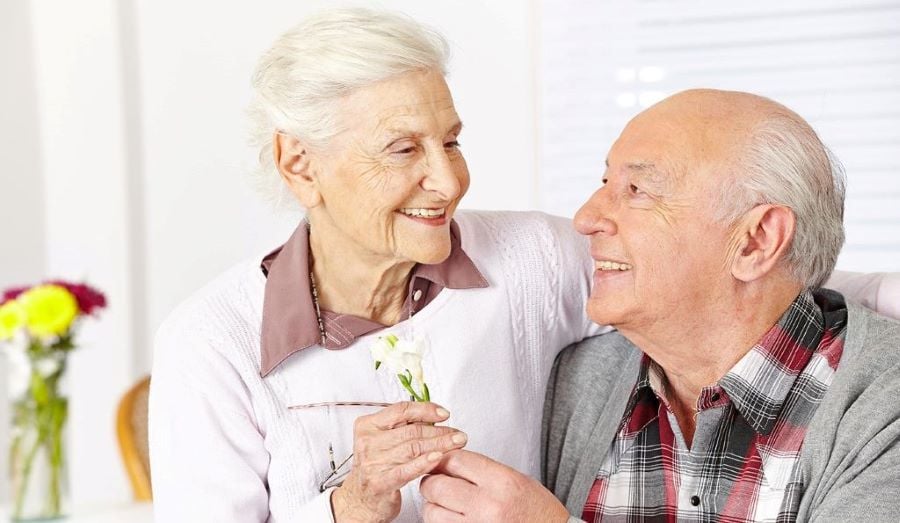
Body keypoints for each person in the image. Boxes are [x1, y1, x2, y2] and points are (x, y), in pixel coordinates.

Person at [148, 8, 603, 522]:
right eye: (403, 149)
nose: (449, 183)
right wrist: (352, 505)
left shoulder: (538, 257)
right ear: (299, 165)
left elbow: (688, 295)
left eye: (451, 142)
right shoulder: (210, 342)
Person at [419, 89, 900, 522]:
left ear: (756, 241)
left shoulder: (883, 410)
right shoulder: (578, 381)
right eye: (605, 181)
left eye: (637, 191)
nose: (586, 218)